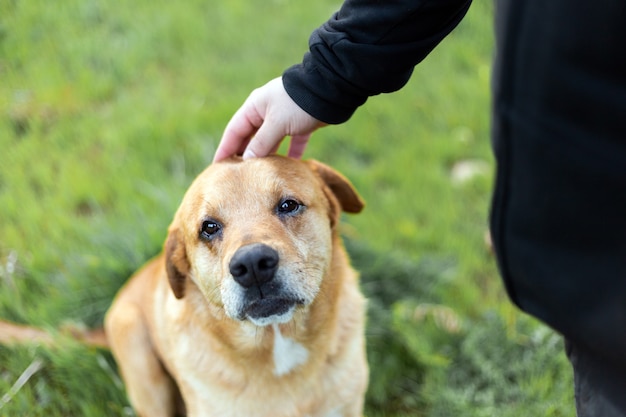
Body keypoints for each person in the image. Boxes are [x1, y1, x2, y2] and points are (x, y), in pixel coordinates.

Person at [213, 0, 626, 415]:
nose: (250, 254)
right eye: (210, 229)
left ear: (334, 207)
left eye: (287, 205)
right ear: (182, 267)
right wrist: (319, 79)